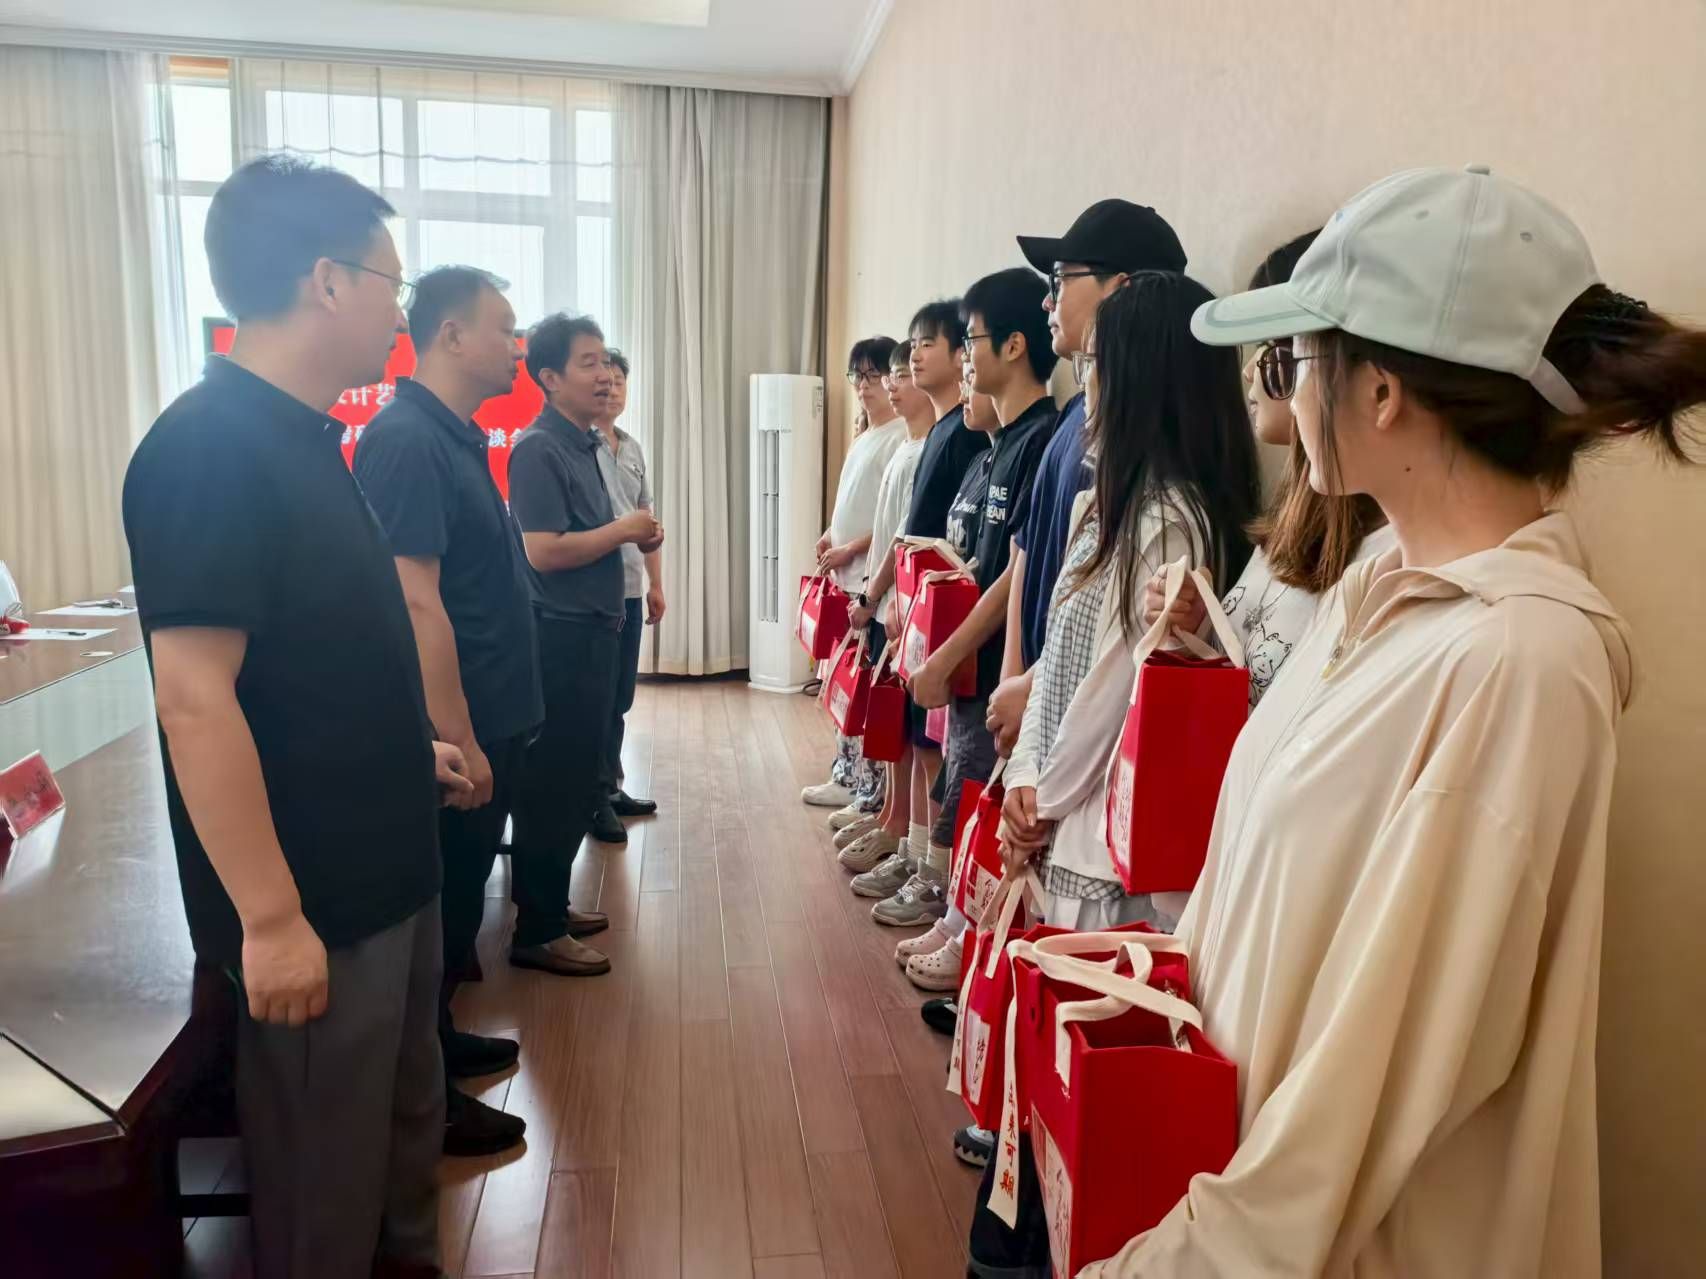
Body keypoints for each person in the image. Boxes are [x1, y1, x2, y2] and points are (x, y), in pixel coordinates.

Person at [1084, 166, 1706, 1276]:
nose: (1282, 394)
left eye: (1297, 360)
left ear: (1378, 390)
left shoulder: (1519, 663)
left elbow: (1367, 1092)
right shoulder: (1373, 585)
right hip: (1225, 1205)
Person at [122, 154, 474, 1279]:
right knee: (327, 1174)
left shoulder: (310, 439)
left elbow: (318, 652)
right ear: (327, 281)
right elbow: (195, 698)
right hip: (319, 897)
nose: (400, 310)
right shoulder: (206, 449)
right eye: (389, 281)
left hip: (390, 860)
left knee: (402, 1127)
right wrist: (270, 919)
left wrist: (410, 751)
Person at [999, 272, 1260, 930]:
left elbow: (1111, 696)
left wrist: (1038, 805)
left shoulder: (1170, 523)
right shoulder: (1105, 507)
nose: (1087, 384)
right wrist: (1023, 775)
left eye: (1096, 364)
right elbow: (1056, 661)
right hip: (1061, 820)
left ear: (1143, 383)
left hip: (1102, 855)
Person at [354, 265, 540, 1158]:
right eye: (504, 328)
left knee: (458, 904)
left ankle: (439, 1042)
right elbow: (415, 599)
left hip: (492, 708)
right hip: (455, 730)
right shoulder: (404, 440)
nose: (518, 346)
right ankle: (421, 1099)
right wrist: (459, 735)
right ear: (452, 335)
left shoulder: (452, 435)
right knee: (438, 904)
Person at [884, 268, 1058, 959]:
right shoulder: (995, 445)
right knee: (963, 793)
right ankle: (959, 926)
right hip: (969, 669)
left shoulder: (1040, 439)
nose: (962, 356)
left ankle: (971, 941)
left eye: (971, 339)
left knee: (980, 803)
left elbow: (1014, 575)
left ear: (1013, 346)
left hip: (993, 672)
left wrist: (953, 654)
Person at [1142, 229, 1394, 702]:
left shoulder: (1387, 553)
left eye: (1274, 350)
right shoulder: (1297, 510)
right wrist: (1198, 627)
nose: (1249, 370)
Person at [985, 200, 1190, 760]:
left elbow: (1119, 638)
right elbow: (1028, 547)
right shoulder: (1075, 416)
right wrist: (1015, 676)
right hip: (1035, 712)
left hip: (1073, 740)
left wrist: (1031, 690)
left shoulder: (1137, 443)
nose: (1047, 301)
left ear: (1120, 290)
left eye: (1059, 280)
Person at [507, 313, 661, 978]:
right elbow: (543, 551)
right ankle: (537, 928)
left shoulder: (584, 442)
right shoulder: (538, 448)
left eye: (606, 362)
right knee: (554, 783)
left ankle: (550, 906)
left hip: (594, 627)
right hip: (561, 635)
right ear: (550, 377)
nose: (605, 375)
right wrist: (624, 530)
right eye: (588, 363)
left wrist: (633, 533)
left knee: (575, 779)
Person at [845, 300, 988, 903]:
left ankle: (929, 865)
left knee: (932, 746)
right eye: (911, 349)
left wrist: (895, 599)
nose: (914, 358)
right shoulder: (938, 435)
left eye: (928, 345)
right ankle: (908, 845)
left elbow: (934, 544)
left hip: (933, 618)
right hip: (909, 611)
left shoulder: (959, 435)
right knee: (914, 737)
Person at [835, 341, 935, 873]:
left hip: (895, 603)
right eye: (888, 373)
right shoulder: (900, 444)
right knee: (890, 721)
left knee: (907, 728)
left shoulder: (920, 444)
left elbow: (902, 536)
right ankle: (887, 813)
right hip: (882, 602)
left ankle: (901, 830)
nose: (893, 383)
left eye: (899, 372)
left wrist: (874, 595)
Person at [803, 335, 905, 817]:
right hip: (846, 576)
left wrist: (848, 548)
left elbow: (889, 522)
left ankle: (866, 787)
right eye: (857, 376)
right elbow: (853, 502)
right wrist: (830, 535)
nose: (864, 386)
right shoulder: (865, 435)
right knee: (844, 682)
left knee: (864, 687)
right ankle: (845, 773)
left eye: (873, 375)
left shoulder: (900, 437)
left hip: (869, 582)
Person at [588, 347, 662, 844]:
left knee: (619, 696)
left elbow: (647, 519)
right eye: (605, 380)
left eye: (620, 382)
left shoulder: (631, 447)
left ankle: (611, 787)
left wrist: (657, 584)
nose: (612, 389)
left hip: (632, 590)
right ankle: (592, 797)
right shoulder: (578, 447)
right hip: (594, 594)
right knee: (595, 698)